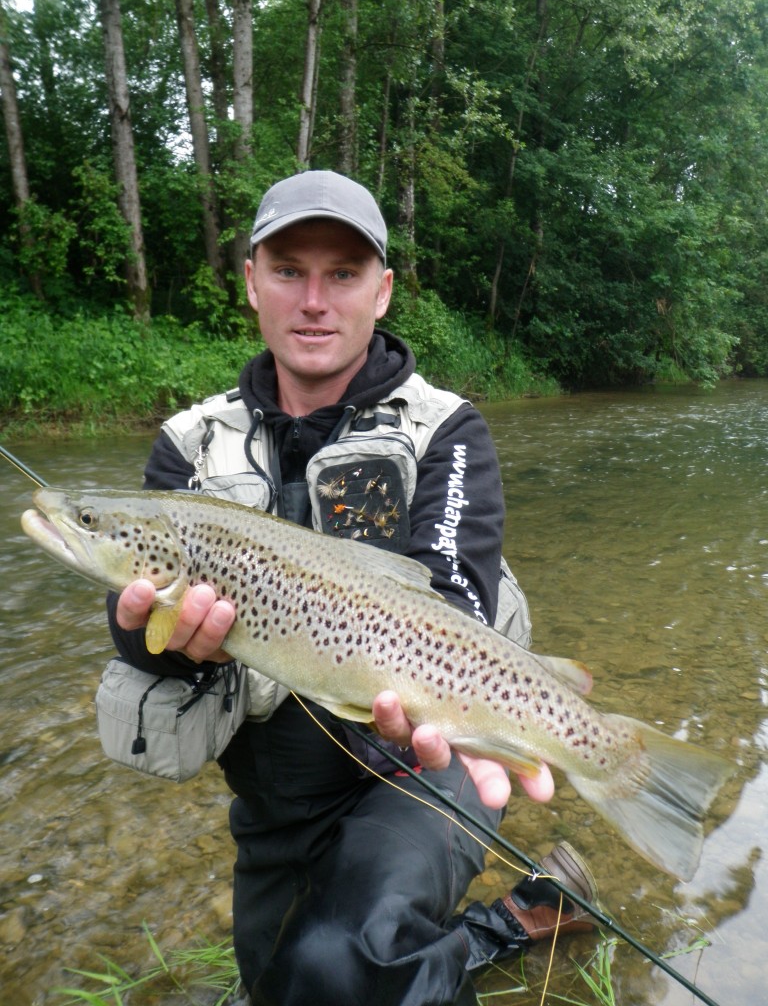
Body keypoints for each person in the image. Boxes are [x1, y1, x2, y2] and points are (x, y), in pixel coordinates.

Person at [106, 170, 597, 1006]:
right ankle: (523, 918)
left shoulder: (447, 428)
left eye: (343, 274)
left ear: (383, 291)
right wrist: (154, 639)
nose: (314, 300)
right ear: (252, 281)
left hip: (423, 769)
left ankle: (494, 921)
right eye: (290, 269)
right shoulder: (187, 446)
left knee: (337, 967)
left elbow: (459, 598)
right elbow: (136, 619)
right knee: (284, 986)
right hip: (275, 795)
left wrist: (494, 715)